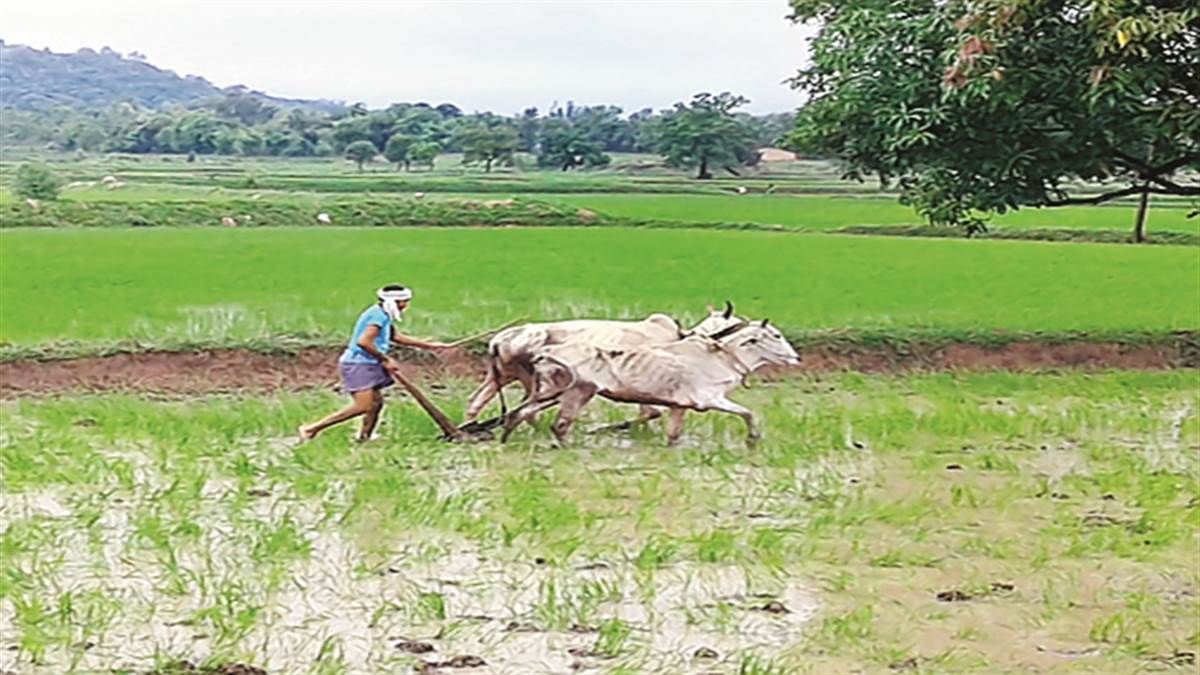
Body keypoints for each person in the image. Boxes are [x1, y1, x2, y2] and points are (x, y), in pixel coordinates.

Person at [298, 284, 452, 442]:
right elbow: (364, 342)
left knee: (376, 404)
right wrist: (385, 359)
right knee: (363, 406)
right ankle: (312, 429)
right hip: (359, 363)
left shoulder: (383, 314)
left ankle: (364, 438)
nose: (405, 305)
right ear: (393, 301)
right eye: (403, 301)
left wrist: (429, 345)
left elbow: (394, 336)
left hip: (370, 363)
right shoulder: (377, 316)